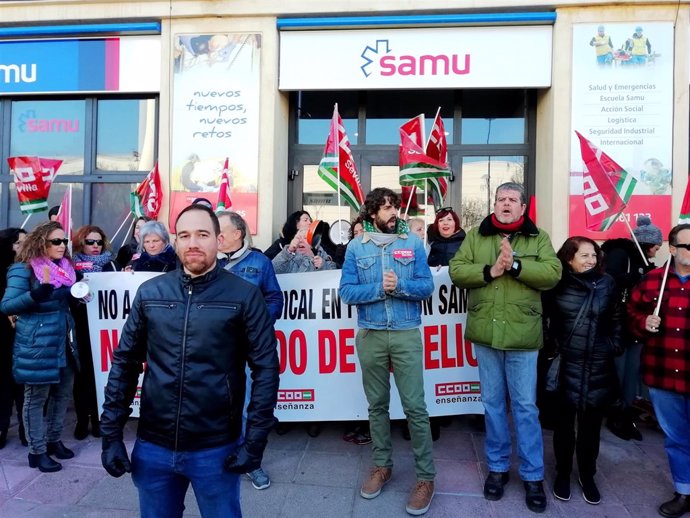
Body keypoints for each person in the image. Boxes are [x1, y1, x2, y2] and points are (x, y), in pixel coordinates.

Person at [99, 203, 280, 518]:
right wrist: (111, 433)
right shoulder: (150, 292)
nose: (193, 242)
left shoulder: (244, 295)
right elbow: (125, 363)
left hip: (216, 447)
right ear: (176, 241)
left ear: (217, 239)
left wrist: (255, 440)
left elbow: (265, 369)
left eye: (202, 234)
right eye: (184, 235)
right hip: (153, 445)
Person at [449, 182, 561, 514]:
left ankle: (532, 475)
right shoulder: (476, 235)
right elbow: (457, 270)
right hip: (486, 334)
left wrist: (515, 266)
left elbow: (553, 273)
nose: (506, 204)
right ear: (493, 203)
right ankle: (497, 469)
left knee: (526, 407)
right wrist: (491, 270)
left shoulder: (537, 237)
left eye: (513, 200)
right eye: (501, 199)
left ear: (523, 207)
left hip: (523, 337)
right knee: (493, 405)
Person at [339, 187, 436, 516]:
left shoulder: (412, 244)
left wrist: (403, 286)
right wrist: (380, 288)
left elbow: (427, 285)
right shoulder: (356, 246)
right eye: (386, 208)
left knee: (415, 408)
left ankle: (426, 478)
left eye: (395, 207)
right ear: (371, 214)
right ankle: (382, 466)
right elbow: (347, 293)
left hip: (407, 333)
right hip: (371, 334)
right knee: (377, 406)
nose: (393, 213)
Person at [543, 237, 622, 505]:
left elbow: (616, 317)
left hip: (599, 365)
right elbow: (543, 317)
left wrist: (613, 345)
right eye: (584, 255)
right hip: (568, 363)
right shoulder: (555, 283)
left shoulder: (608, 283)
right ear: (568, 259)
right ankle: (563, 473)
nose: (590, 260)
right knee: (564, 426)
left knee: (591, 428)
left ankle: (588, 475)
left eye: (593, 255)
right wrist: (551, 346)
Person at [0, 221, 78, 473]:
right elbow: (7, 306)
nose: (62, 245)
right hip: (37, 344)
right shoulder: (22, 270)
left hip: (64, 340)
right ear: (41, 242)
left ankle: (54, 440)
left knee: (62, 394)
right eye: (56, 241)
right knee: (35, 399)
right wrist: (36, 295)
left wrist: (77, 292)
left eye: (64, 241)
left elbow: (64, 301)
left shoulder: (65, 268)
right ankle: (37, 451)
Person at [217, 210, 283, 490]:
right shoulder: (205, 261)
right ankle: (213, 457)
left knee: (247, 407)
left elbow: (274, 297)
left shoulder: (260, 262)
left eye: (220, 230)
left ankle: (250, 461)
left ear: (238, 233)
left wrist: (257, 324)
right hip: (212, 348)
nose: (215, 236)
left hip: (247, 348)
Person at [627, 224, 690, 518]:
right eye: (687, 246)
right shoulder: (653, 280)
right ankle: (683, 491)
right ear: (674, 249)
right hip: (663, 372)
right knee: (676, 437)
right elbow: (631, 313)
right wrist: (643, 323)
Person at [602, 214, 662, 441]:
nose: (657, 249)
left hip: (637, 325)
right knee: (618, 371)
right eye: (656, 245)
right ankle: (615, 415)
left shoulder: (644, 262)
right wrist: (639, 276)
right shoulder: (621, 254)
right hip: (618, 323)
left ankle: (626, 415)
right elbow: (609, 278)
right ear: (646, 242)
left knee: (631, 373)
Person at [70, 225, 119, 440]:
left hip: (103, 330)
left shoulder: (111, 265)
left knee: (102, 377)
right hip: (80, 328)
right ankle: (82, 420)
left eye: (99, 241)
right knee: (82, 377)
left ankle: (99, 420)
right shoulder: (70, 267)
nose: (95, 246)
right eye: (90, 242)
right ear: (81, 242)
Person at [0, 227, 27, 448]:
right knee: (3, 385)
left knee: (23, 384)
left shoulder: (28, 268)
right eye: (20, 243)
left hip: (24, 334)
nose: (24, 247)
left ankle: (26, 429)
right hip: (3, 337)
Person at [271, 221, 336, 274]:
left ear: (315, 243)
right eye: (297, 238)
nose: (300, 241)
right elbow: (271, 270)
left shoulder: (325, 261)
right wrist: (288, 251)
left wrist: (323, 266)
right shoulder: (287, 259)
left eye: (305, 238)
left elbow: (334, 277)